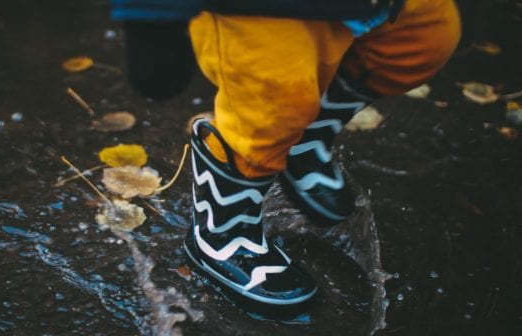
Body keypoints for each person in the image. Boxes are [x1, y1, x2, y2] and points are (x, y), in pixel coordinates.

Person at [110, 0, 461, 318]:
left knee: (425, 40)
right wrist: (152, 15)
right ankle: (221, 235)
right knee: (273, 105)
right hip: (261, 12)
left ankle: (302, 136)